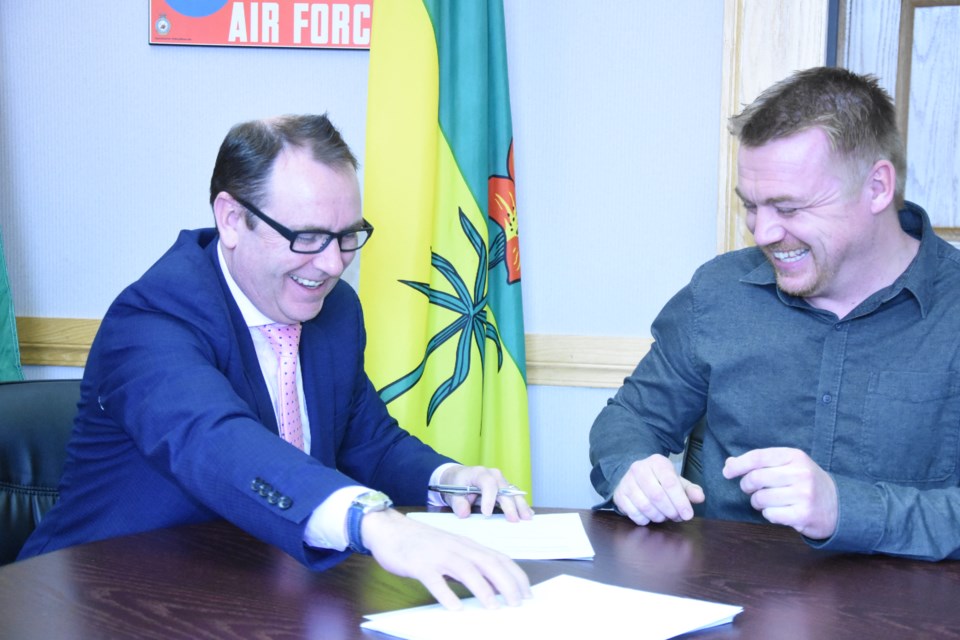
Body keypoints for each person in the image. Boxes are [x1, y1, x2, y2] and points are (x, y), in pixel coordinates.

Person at [19, 114, 533, 609]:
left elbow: (369, 442)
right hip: (95, 601)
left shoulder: (334, 312)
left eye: (347, 236)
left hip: (252, 595)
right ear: (232, 219)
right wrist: (375, 523)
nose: (332, 265)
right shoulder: (153, 317)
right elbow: (218, 440)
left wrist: (446, 480)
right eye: (306, 237)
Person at [589, 66, 960, 561]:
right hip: (730, 601)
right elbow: (631, 419)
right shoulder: (718, 292)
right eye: (752, 206)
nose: (762, 233)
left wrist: (846, 508)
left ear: (877, 188)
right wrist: (632, 465)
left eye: (788, 208)